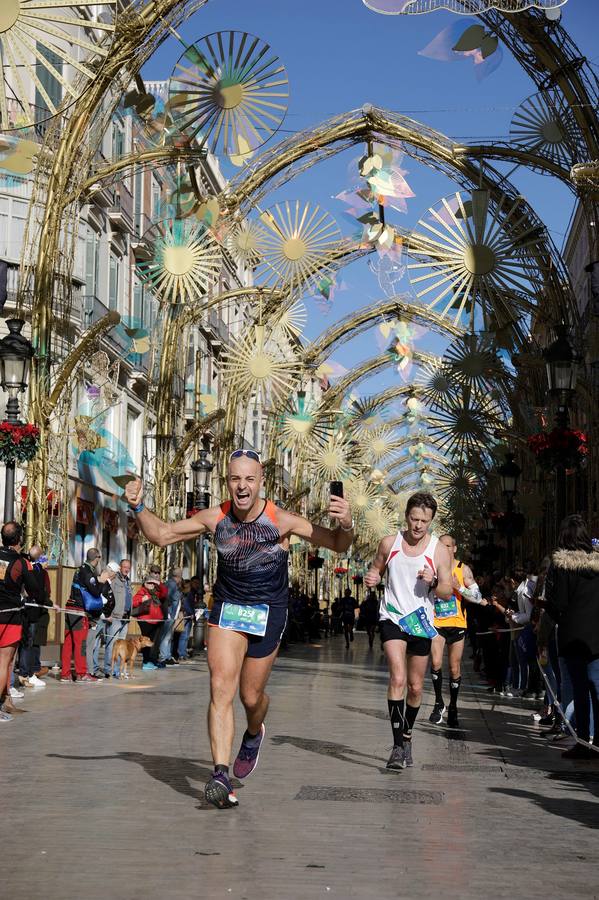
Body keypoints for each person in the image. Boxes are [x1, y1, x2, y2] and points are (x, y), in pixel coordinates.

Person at [125, 448, 353, 809]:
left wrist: (346, 523)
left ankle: (253, 731)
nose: (242, 486)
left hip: (269, 612)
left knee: (250, 698)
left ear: (261, 481)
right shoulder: (215, 517)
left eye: (249, 479)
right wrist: (138, 507)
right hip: (229, 609)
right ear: (227, 481)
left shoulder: (282, 520)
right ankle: (219, 774)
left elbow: (337, 544)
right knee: (220, 688)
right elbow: (163, 535)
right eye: (235, 479)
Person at [365, 491, 452, 771]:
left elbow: (447, 591)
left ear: (431, 521)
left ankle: (408, 733)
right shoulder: (390, 543)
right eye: (414, 519)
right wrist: (373, 576)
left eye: (424, 521)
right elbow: (376, 568)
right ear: (406, 517)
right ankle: (397, 747)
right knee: (398, 678)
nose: (418, 526)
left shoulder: (438, 550)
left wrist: (435, 579)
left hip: (421, 623)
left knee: (415, 687)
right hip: (392, 617)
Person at [544, 514, 599, 760]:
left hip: (573, 633)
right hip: (597, 635)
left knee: (579, 689)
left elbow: (558, 602)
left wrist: (550, 611)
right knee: (597, 687)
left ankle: (583, 740)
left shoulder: (561, 565)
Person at [429, 534, 485, 729]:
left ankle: (453, 706)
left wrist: (458, 587)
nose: (444, 549)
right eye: (440, 546)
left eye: (447, 546)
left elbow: (477, 596)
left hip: (458, 624)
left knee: (454, 668)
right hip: (436, 622)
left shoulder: (463, 569)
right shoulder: (433, 567)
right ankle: (438, 702)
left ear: (454, 548)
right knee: (435, 662)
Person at [0, 522, 40, 721]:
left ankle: (7, 699)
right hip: (10, 616)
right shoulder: (21, 562)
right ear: (19, 540)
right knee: (5, 662)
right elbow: (35, 589)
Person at [61, 548, 107, 684]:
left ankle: (65, 674)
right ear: (96, 558)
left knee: (68, 643)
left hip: (69, 607)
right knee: (80, 643)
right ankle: (81, 674)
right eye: (99, 557)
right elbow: (95, 592)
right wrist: (102, 581)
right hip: (79, 610)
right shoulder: (88, 572)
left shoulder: (79, 569)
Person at [18, 545, 52, 689]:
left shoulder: (24, 564)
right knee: (28, 642)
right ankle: (26, 674)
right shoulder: (36, 570)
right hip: (30, 611)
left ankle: (27, 672)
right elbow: (37, 590)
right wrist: (49, 602)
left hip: (28, 609)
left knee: (28, 642)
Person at [104, 559, 133, 678]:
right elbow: (107, 595)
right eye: (124, 567)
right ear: (120, 568)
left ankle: (118, 670)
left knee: (122, 646)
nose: (126, 569)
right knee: (112, 644)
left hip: (125, 618)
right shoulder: (115, 579)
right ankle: (108, 669)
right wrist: (108, 614)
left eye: (128, 567)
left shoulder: (128, 581)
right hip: (115, 616)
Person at [132, 574, 165, 669]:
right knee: (146, 642)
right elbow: (133, 602)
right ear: (144, 583)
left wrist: (158, 583)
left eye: (152, 583)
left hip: (156, 621)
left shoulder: (155, 592)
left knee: (153, 643)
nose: (151, 585)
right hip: (145, 621)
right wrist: (142, 599)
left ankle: (152, 661)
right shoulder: (142, 591)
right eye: (149, 583)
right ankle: (146, 662)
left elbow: (164, 593)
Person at [158, 567, 183, 667]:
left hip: (172, 614)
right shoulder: (172, 584)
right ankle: (164, 657)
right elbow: (167, 598)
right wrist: (168, 613)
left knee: (168, 637)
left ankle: (167, 656)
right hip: (169, 614)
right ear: (179, 576)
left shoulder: (173, 584)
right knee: (166, 637)